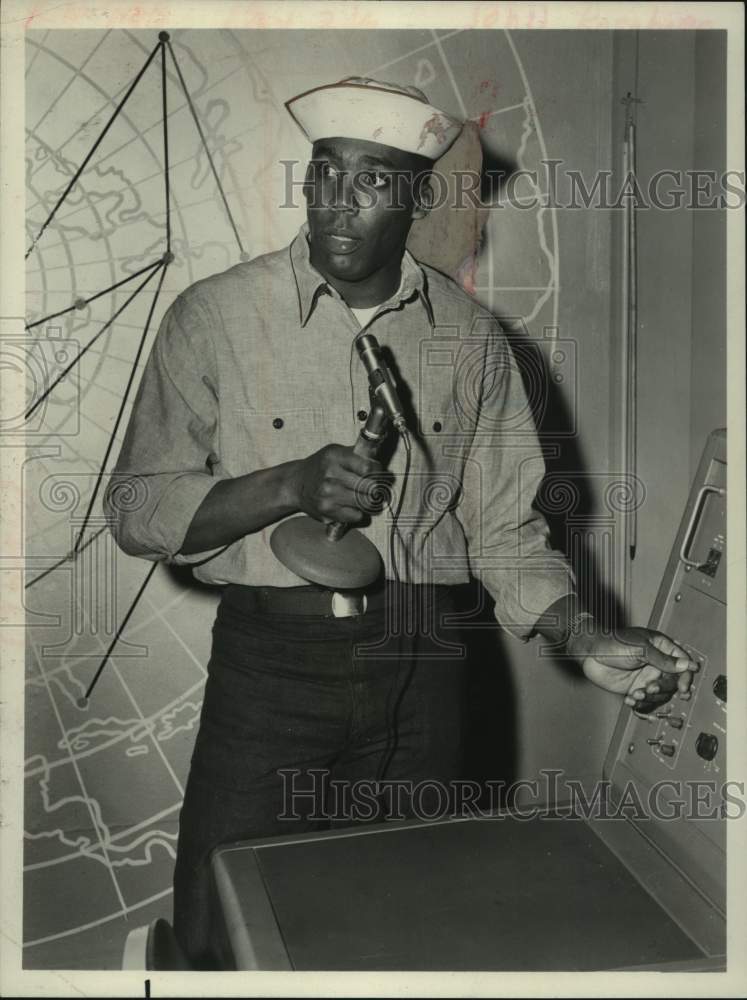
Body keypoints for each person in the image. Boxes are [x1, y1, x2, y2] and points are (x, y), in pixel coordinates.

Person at [104, 77, 697, 968]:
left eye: (374, 182)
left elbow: (505, 532)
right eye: (325, 175)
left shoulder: (473, 339)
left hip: (425, 675)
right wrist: (287, 485)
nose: (340, 204)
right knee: (219, 939)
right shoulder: (215, 317)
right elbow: (137, 508)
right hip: (272, 676)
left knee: (409, 931)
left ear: (417, 198)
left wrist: (584, 635)